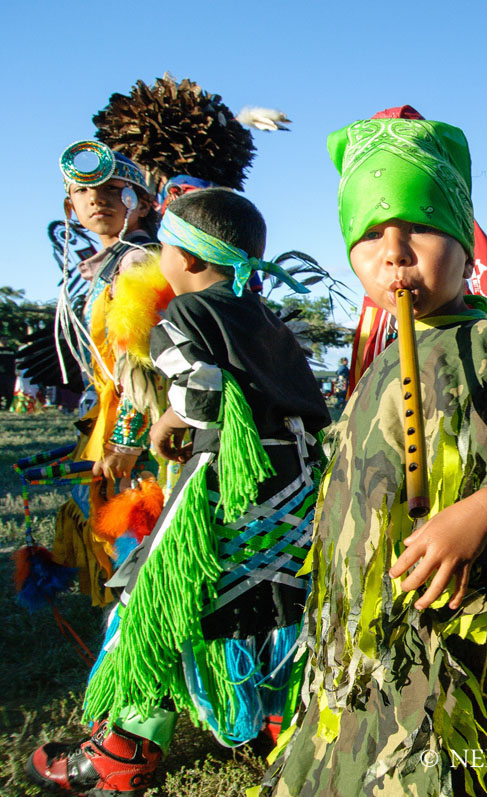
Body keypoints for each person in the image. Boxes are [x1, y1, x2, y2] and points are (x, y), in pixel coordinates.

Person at [258, 112, 487, 796]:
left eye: (419, 228)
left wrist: (480, 511)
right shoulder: (377, 363)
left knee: (467, 748)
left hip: (470, 612)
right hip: (382, 616)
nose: (394, 252)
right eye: (369, 236)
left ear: (464, 242)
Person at [26, 188, 330, 795]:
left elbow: (205, 391)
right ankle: (280, 721)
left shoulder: (183, 316)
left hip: (225, 487)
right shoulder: (268, 318)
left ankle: (123, 751)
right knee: (279, 599)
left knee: (157, 599)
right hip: (293, 492)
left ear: (187, 260)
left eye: (163, 247)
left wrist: (170, 421)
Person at [48, 140, 171, 607]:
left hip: (138, 435)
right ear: (70, 206)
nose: (96, 198)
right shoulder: (103, 267)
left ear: (139, 204)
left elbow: (145, 364)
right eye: (83, 191)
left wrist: (126, 440)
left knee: (142, 550)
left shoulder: (138, 261)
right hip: (107, 424)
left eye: (111, 188)